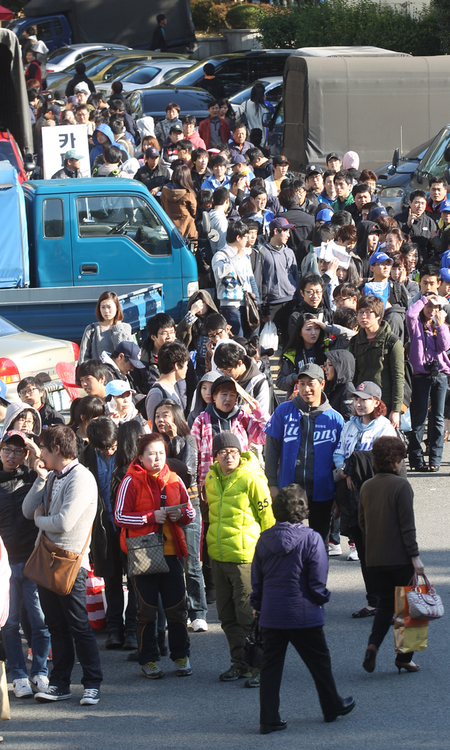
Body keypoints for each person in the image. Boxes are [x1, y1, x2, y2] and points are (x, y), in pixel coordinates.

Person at [251, 483, 355, 733]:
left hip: (272, 614)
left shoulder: (264, 539)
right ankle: (331, 706)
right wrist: (322, 598)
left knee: (270, 668)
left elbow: (257, 579)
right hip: (303, 612)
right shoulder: (312, 539)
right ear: (303, 510)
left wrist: (258, 605)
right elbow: (317, 579)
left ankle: (268, 718)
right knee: (319, 663)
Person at [22, 425, 103, 704]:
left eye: (43, 448)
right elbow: (26, 509)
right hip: (48, 560)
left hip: (70, 563)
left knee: (79, 625)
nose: (40, 452)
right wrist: (40, 478)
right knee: (56, 625)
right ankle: (60, 683)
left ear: (56, 449)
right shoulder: (54, 476)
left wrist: (39, 521)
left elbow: (63, 523)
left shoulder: (81, 477)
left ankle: (92, 683)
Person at [114, 432, 195, 679]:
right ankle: (147, 659)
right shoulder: (130, 480)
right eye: (151, 453)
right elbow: (119, 516)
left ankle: (181, 656)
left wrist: (178, 515)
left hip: (172, 554)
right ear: (140, 456)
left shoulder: (174, 479)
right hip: (143, 554)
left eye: (161, 453)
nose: (157, 458)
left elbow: (190, 514)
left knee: (177, 609)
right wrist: (150, 517)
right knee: (146, 611)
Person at [204, 431, 274, 686]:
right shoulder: (211, 478)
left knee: (248, 616)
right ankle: (240, 662)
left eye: (233, 452)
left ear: (240, 452)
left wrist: (268, 552)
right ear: (216, 456)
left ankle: (260, 666)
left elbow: (267, 519)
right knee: (226, 615)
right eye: (223, 453)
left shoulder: (252, 478)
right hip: (218, 556)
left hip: (246, 557)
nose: (229, 457)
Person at [359, 436, 425, 674]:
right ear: (397, 461)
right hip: (400, 558)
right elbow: (407, 526)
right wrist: (415, 556)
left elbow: (362, 523)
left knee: (386, 605)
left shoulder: (367, 486)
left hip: (375, 559)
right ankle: (404, 657)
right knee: (410, 608)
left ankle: (373, 645)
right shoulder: (401, 486)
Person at [333, 382, 397, 611]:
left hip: (375, 498)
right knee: (362, 550)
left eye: (365, 399)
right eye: (356, 399)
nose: (359, 404)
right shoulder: (350, 425)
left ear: (377, 402)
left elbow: (386, 463)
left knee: (378, 551)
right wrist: (344, 470)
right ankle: (373, 601)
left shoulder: (385, 429)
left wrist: (352, 468)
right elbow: (339, 452)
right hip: (351, 497)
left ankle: (387, 600)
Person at [265, 363, 344, 543]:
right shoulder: (283, 411)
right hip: (289, 490)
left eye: (311, 383)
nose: (306, 389)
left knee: (319, 544)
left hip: (323, 492)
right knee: (286, 543)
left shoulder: (336, 419)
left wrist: (338, 496)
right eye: (301, 383)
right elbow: (271, 450)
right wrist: (272, 484)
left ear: (322, 384)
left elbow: (340, 460)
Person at [0, 430, 51, 699]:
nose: (11, 455)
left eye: (18, 451)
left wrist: (33, 447)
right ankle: (18, 675)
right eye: (7, 449)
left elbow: (50, 468)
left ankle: (40, 671)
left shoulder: (33, 477)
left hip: (32, 559)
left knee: (39, 620)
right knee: (9, 623)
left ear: (26, 455)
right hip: (3, 564)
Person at [153, 399, 207, 632]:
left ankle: (199, 612)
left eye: (165, 415)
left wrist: (175, 441)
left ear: (176, 417)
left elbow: (186, 471)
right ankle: (178, 610)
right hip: (162, 509)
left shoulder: (189, 440)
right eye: (157, 416)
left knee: (192, 562)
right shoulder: (153, 444)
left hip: (188, 504)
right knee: (171, 564)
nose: (161, 420)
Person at [191, 375, 268, 489]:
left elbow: (268, 436)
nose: (228, 399)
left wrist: (258, 411)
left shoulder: (243, 418)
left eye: (232, 395)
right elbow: (194, 453)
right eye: (224, 394)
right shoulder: (201, 421)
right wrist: (197, 482)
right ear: (214, 397)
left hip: (239, 481)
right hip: (211, 483)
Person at [406, 292, 450, 471]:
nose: (432, 310)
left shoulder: (442, 325)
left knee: (438, 418)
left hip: (439, 375)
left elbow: (445, 346)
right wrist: (426, 298)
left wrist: (440, 325)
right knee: (419, 417)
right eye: (429, 306)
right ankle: (416, 458)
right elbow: (409, 314)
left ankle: (435, 458)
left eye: (436, 307)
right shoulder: (415, 325)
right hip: (420, 375)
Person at [212, 220, 259, 338]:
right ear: (238, 238)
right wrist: (236, 257)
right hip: (230, 306)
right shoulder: (221, 255)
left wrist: (256, 299)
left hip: (247, 303)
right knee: (236, 340)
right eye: (246, 237)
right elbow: (219, 273)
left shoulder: (244, 255)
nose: (247, 240)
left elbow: (251, 279)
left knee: (249, 340)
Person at [276, 313, 327, 398]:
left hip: (323, 400)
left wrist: (326, 327)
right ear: (300, 332)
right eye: (308, 329)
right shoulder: (290, 354)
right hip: (298, 401)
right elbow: (280, 382)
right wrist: (297, 377)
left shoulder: (327, 347)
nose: (313, 333)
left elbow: (347, 338)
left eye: (317, 328)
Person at [213, 340, 270, 413]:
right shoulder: (225, 379)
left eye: (228, 371)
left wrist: (242, 411)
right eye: (221, 371)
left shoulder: (259, 383)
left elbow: (263, 416)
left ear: (239, 363)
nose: (224, 375)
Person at [79, 291, 132, 363]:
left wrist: (118, 327)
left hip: (118, 373)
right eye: (103, 307)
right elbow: (83, 358)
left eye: (109, 307)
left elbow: (125, 353)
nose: (106, 311)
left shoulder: (126, 328)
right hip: (97, 372)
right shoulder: (91, 329)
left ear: (116, 308)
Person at [145, 341, 190, 425]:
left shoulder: (173, 388)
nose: (187, 368)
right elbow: (153, 428)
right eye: (186, 365)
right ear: (176, 366)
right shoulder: (156, 393)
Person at [176, 291, 218, 377]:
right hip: (197, 363)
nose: (199, 306)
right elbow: (180, 334)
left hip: (214, 361)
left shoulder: (216, 319)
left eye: (203, 302)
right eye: (196, 303)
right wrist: (192, 313)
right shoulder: (192, 321)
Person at [395, 190, 437, 265]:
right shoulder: (399, 219)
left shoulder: (429, 222)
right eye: (417, 202)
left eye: (423, 203)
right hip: (402, 262)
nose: (420, 206)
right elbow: (396, 241)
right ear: (410, 202)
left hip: (422, 262)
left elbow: (432, 247)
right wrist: (408, 226)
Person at [161, 163, 197, 239]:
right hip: (187, 232)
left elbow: (162, 208)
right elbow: (195, 213)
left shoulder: (164, 191)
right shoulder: (188, 194)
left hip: (168, 229)